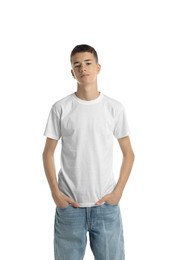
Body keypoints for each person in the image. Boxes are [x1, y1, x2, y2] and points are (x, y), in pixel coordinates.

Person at [42, 44, 135, 260]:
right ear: (72, 72)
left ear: (98, 67)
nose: (83, 68)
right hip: (70, 207)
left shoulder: (114, 108)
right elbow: (48, 153)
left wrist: (118, 192)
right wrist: (56, 194)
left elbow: (129, 153)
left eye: (87, 63)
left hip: (105, 205)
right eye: (77, 65)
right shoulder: (61, 108)